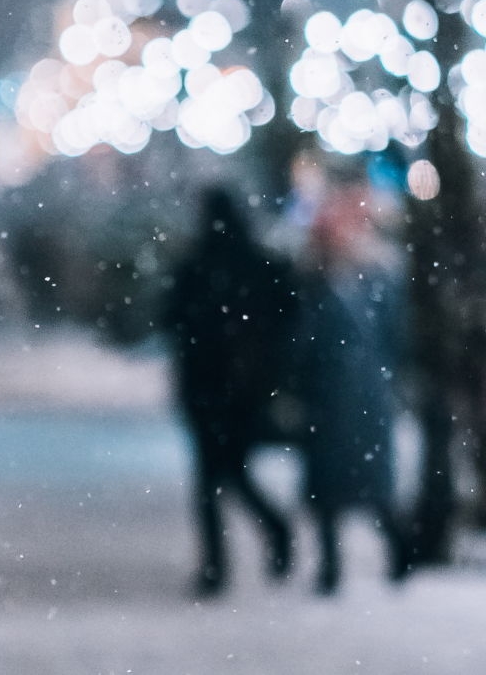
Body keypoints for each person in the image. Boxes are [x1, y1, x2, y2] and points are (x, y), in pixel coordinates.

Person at [160, 186, 297, 596]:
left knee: (211, 479)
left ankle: (218, 565)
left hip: (207, 390)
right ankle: (268, 533)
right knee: (232, 474)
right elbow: (287, 315)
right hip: (243, 390)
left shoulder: (197, 266)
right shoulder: (258, 264)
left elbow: (172, 320)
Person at [294, 166, 410, 595]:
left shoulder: (380, 270)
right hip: (331, 396)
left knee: (370, 485)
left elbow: (395, 336)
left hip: (364, 395)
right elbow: (304, 338)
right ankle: (331, 567)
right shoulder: (317, 272)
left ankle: (397, 552)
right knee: (330, 488)